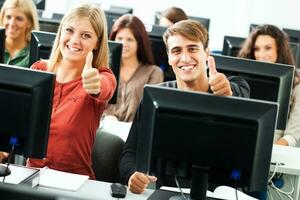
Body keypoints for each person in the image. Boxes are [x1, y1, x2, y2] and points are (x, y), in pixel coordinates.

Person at [120, 19, 250, 194]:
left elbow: (241, 94)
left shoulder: (232, 86)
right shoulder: (155, 96)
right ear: (169, 58)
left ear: (207, 53)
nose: (185, 58)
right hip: (169, 193)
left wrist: (228, 94)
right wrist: (131, 174)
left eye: (192, 48)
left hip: (220, 194)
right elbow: (131, 151)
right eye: (176, 51)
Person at [26, 4, 117, 179]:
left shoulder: (102, 76)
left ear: (97, 43)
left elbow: (105, 88)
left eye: (86, 35)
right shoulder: (38, 69)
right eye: (69, 30)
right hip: (30, 176)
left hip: (74, 182)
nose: (75, 40)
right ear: (60, 32)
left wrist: (95, 85)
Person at [238, 24, 300, 147]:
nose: (261, 54)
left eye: (268, 48)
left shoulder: (296, 83)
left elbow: (292, 135)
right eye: (256, 49)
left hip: (273, 148)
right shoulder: (241, 80)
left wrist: (265, 153)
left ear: (279, 50)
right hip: (241, 142)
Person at [104, 14, 163, 122]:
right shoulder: (105, 69)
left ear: (139, 42)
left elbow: (149, 114)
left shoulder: (153, 73)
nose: (124, 43)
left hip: (133, 133)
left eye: (130, 39)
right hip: (103, 130)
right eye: (120, 38)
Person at [0, 0, 39, 68]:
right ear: (2, 18)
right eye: (8, 17)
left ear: (29, 23)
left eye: (19, 19)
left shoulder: (36, 55)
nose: (11, 24)